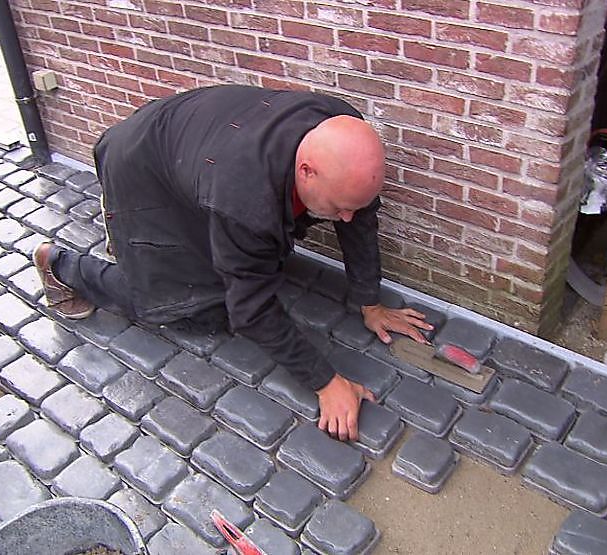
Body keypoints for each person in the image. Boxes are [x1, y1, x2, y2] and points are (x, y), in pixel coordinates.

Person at [33, 85, 432, 442]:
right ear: (306, 171)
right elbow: (249, 310)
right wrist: (326, 382)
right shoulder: (244, 196)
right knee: (195, 308)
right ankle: (64, 267)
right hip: (139, 168)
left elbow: (359, 217)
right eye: (340, 208)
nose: (346, 218)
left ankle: (136, 243)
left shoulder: (342, 134)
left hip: (191, 151)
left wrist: (369, 301)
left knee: (248, 253)